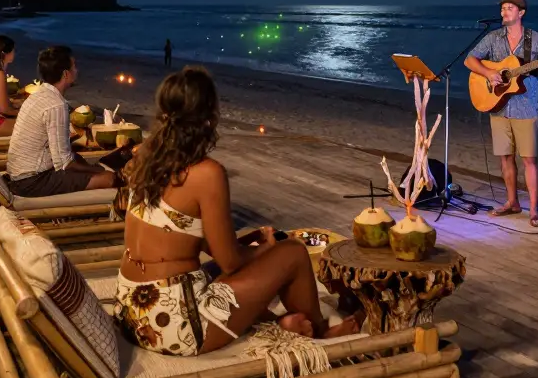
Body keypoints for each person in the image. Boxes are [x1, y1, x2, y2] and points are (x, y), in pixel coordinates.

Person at [114, 67, 361, 356]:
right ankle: (320, 331)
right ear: (208, 117)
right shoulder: (206, 173)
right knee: (292, 252)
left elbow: (181, 234)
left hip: (132, 310)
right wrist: (266, 248)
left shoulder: (146, 158)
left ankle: (282, 321)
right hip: (175, 326)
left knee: (225, 270)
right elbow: (231, 263)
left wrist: (250, 244)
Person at [464, 0, 538, 226]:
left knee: (529, 159)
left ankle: (534, 210)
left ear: (521, 13)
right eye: (503, 9)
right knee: (505, 157)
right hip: (499, 106)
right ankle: (512, 202)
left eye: (509, 9)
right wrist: (489, 73)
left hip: (525, 107)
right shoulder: (493, 38)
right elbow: (469, 60)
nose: (504, 13)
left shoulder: (535, 40)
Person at [5, 46, 120, 196]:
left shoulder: (38, 95)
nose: (76, 70)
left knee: (79, 158)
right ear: (66, 74)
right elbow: (64, 163)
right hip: (32, 181)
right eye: (74, 66)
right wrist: (98, 170)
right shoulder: (56, 105)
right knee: (110, 178)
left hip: (19, 174)